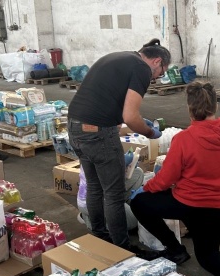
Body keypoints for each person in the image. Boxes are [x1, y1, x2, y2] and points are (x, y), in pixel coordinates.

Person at [130, 82, 220, 276]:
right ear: (216, 106)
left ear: (189, 109)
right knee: (207, 257)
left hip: (186, 203)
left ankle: (175, 250)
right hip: (218, 207)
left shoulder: (183, 139)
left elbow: (166, 179)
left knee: (139, 203)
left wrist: (147, 187)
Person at [67, 39, 170, 259]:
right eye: (160, 73)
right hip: (98, 133)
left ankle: (99, 236)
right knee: (113, 194)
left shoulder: (120, 56)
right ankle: (123, 248)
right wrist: (150, 133)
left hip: (75, 127)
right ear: (157, 61)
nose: (155, 78)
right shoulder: (142, 68)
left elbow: (106, 98)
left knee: (95, 187)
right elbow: (130, 116)